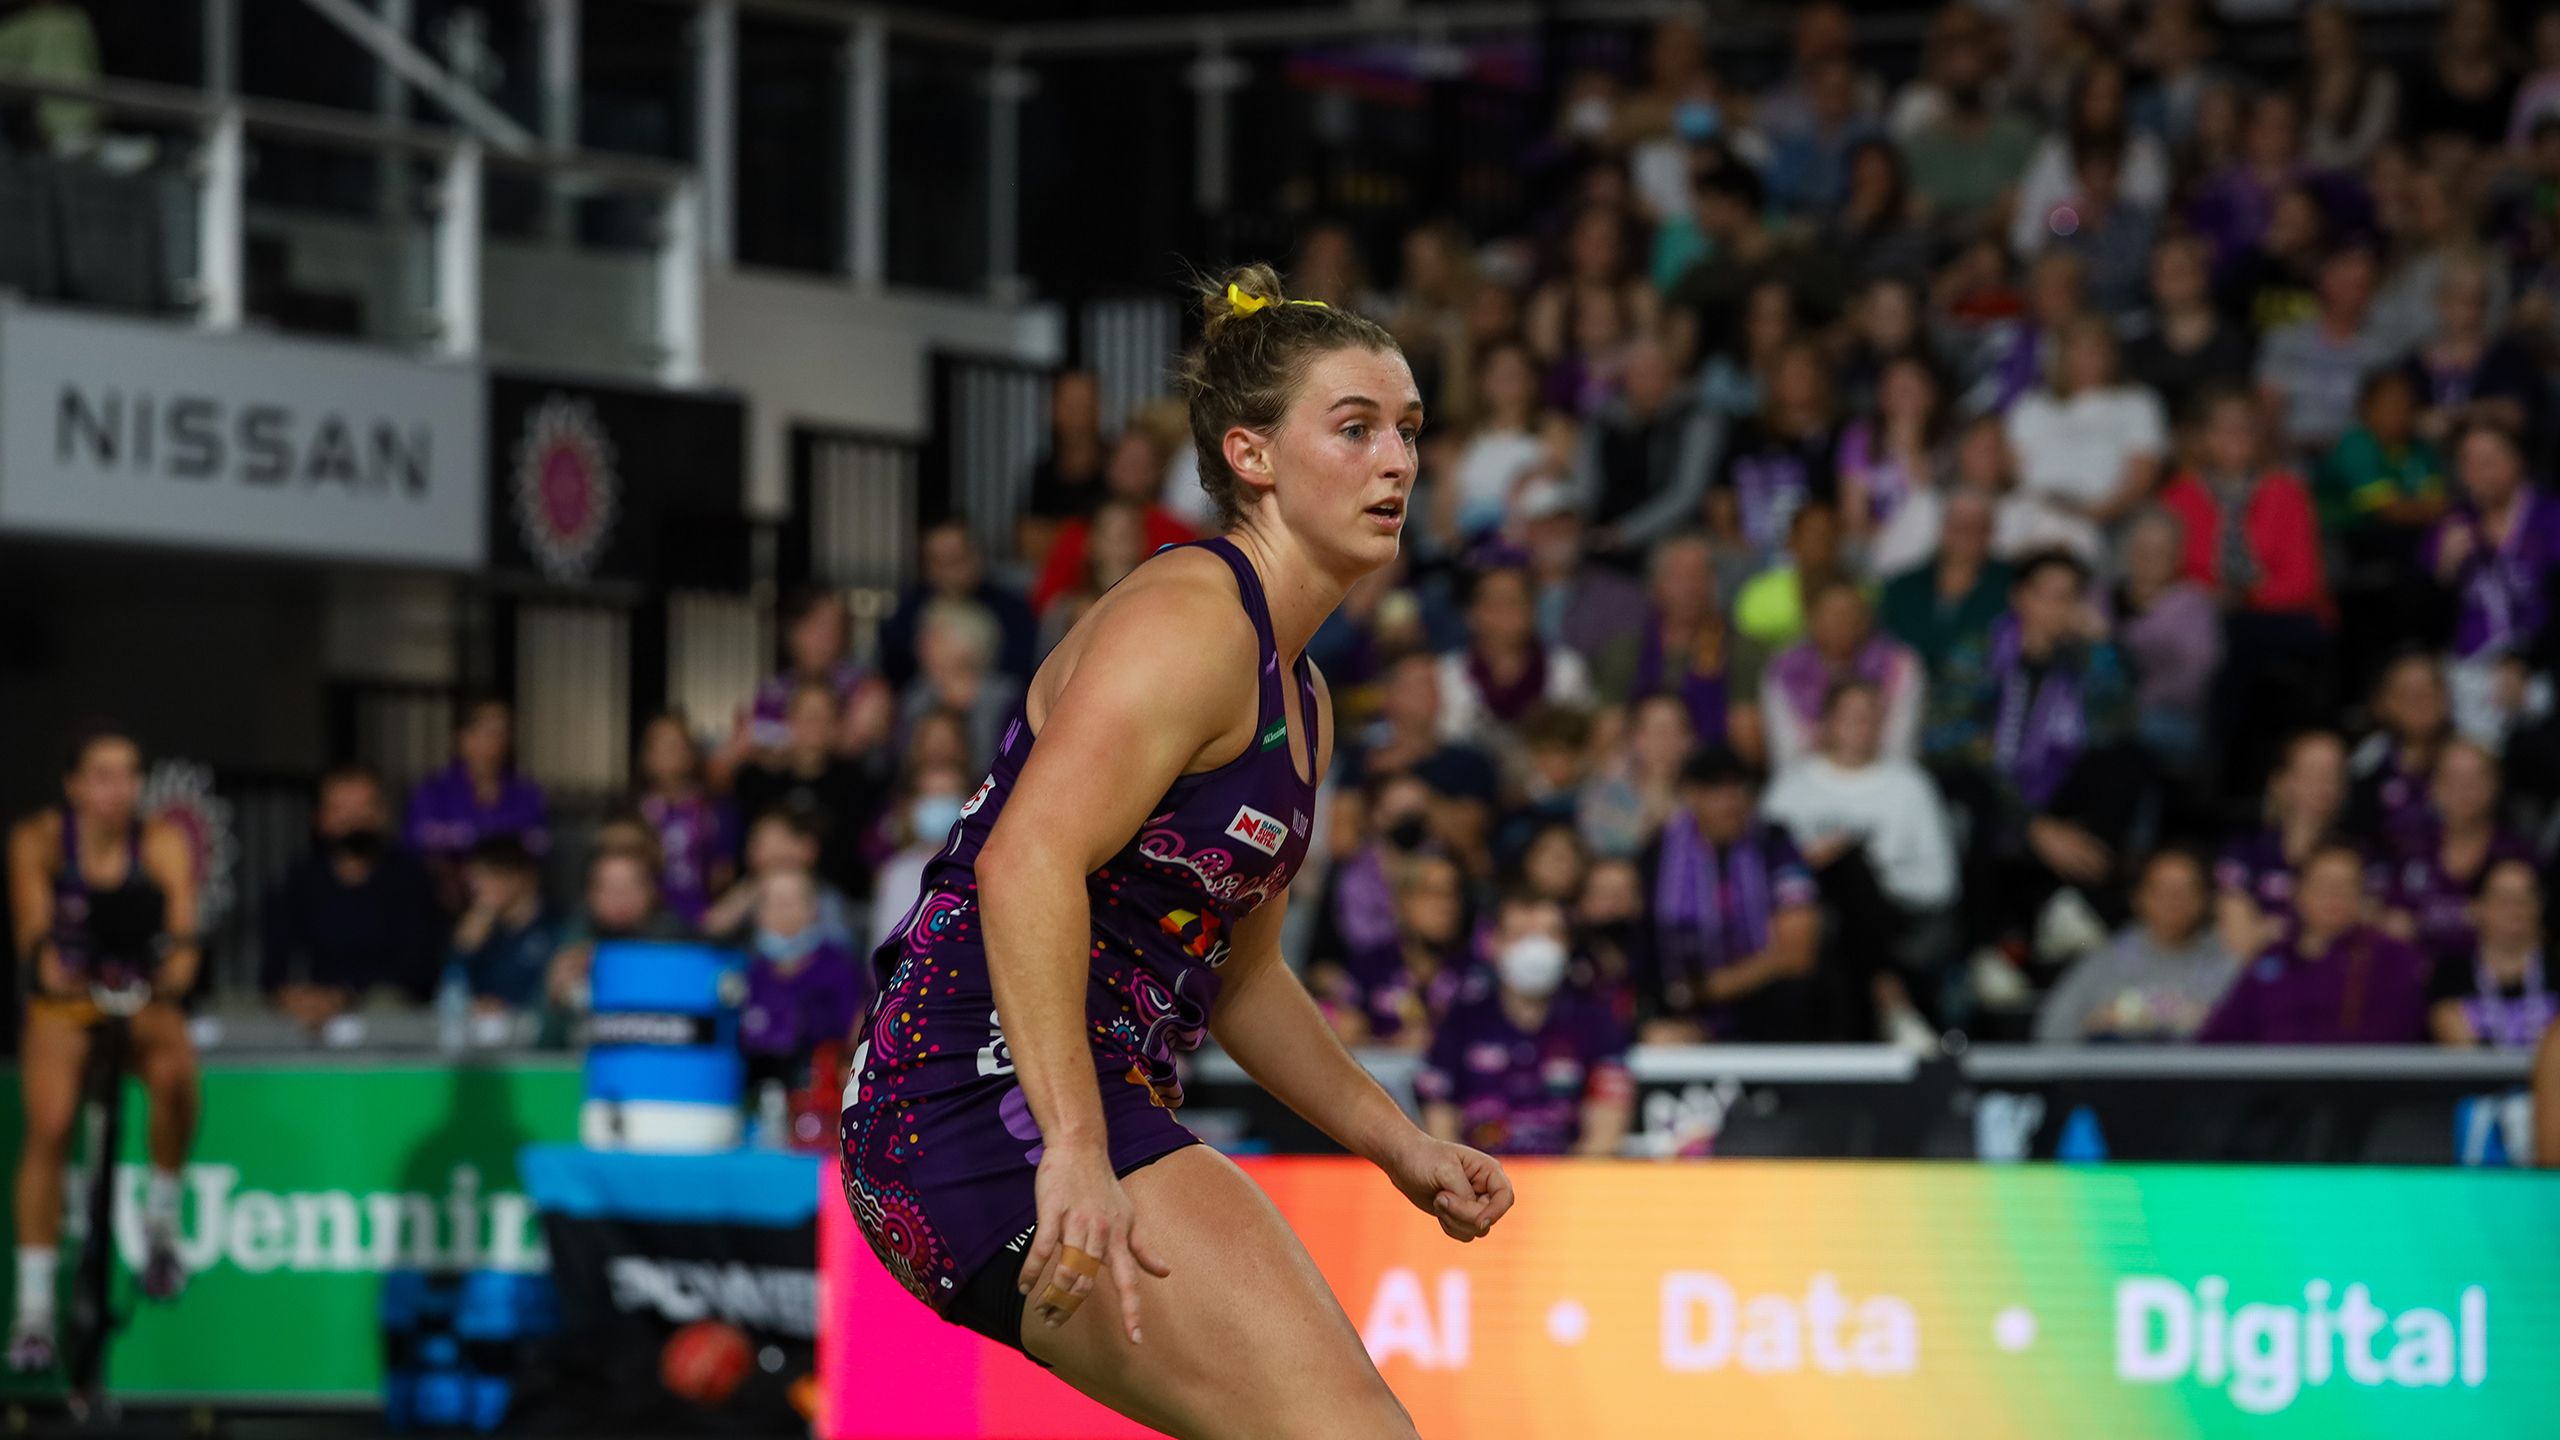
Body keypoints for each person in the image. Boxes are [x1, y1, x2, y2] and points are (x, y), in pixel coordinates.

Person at [839, 264, 1508, 1430]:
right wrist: (1076, 1150)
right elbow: (1024, 863)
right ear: (1251, 456)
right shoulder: (1193, 619)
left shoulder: (1300, 697)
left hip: (1046, 1104)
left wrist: (1394, 1144)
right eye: (1353, 429)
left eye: (1406, 430)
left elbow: (1242, 978)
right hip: (978, 1097)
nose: (1398, 461)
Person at [6, 728, 201, 1369]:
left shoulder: (162, 842)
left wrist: (171, 972)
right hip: (67, 1005)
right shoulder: (37, 840)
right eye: (103, 775)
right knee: (52, 1123)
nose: (119, 789)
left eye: (129, 774)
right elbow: (35, 935)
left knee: (176, 1073)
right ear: (74, 785)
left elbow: (184, 937)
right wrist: (54, 965)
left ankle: (162, 1228)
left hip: (136, 996)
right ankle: (34, 1312)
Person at [1761, 680, 1960, 1043]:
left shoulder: (1910, 786)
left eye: (1870, 717)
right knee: (1837, 874)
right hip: (1814, 921)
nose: (1861, 727)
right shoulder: (1791, 788)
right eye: (1850, 717)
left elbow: (1940, 883)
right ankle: (1888, 997)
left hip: (1895, 920)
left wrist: (1872, 875)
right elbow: (1764, 872)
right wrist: (1814, 864)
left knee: (1850, 867)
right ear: (1827, 723)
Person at [1417, 893, 1633, 1158]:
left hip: (1568, 1183)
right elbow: (1439, 1126)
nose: (1534, 949)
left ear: (1566, 944)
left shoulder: (1596, 1020)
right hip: (1476, 1182)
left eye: (1548, 935)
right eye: (1520, 934)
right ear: (1493, 943)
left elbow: (1604, 1135)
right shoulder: (1461, 1018)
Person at [1635, 746, 1821, 1043]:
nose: (1730, 802)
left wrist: (1708, 989)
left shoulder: (1773, 844)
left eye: (1739, 788)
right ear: (1691, 795)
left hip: (1762, 1009)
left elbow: (1797, 954)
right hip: (1679, 1009)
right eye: (1716, 790)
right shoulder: (1659, 856)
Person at [262, 764, 443, 1025]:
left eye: (362, 809)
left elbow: (418, 969)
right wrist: (294, 995)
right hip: (309, 1019)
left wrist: (344, 995)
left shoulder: (411, 879)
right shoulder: (299, 880)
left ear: (382, 814)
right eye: (340, 810)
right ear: (320, 818)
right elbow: (275, 964)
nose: (352, 821)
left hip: (387, 1021)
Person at [2198, 844, 2432, 1045]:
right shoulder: (2271, 959)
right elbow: (2219, 1037)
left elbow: (2397, 1036)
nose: (2333, 895)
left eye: (2345, 885)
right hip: (2269, 1090)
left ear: (2361, 896)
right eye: (2323, 884)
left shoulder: (2392, 958)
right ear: (2298, 893)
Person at [2427, 424, 2560, 748]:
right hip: (2466, 670)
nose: (2478, 471)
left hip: (2542, 661)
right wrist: (2444, 571)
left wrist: (2523, 663)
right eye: (2468, 461)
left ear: (2518, 460)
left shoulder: (2550, 516)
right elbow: (2424, 621)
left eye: (2489, 459)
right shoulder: (2453, 524)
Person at [2002, 316, 2168, 564]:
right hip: (2036, 512)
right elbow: (2014, 470)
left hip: (2104, 519)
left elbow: (2142, 477)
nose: (2089, 357)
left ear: (2112, 354)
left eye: (2097, 348)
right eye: (2079, 348)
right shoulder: (2033, 405)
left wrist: (2091, 515)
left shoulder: (2136, 402)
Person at [2034, 849, 2233, 1044]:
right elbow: (2051, 1031)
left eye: (2187, 889)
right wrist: (2094, 1026)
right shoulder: (2105, 961)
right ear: (2139, 897)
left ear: (2206, 899)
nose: (2174, 900)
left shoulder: (2229, 960)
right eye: (2162, 889)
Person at [2374, 741, 2533, 968]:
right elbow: (2393, 923)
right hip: (2422, 984)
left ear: (2496, 784)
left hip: (2497, 986)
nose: (2465, 789)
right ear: (2434, 787)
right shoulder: (2412, 851)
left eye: (2476, 778)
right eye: (2454, 779)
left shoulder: (2517, 855)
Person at [734, 682, 879, 909]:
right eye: (808, 716)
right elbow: (749, 849)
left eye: (825, 717)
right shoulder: (757, 780)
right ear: (790, 720)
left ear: (837, 725)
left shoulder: (856, 781)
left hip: (836, 901)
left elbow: (856, 854)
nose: (816, 726)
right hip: (764, 897)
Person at [1759, 579, 1924, 772]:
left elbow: (1899, 747)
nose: (1840, 622)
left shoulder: (1900, 665)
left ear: (1866, 620)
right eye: (1830, 613)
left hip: (1885, 780)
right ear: (1811, 620)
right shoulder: (1784, 668)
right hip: (1810, 782)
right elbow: (1786, 754)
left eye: (1850, 613)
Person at [2216, 730, 2351, 963]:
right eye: (2313, 772)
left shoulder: (2355, 856)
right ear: (2282, 782)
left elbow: (2355, 939)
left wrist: (2275, 931)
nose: (2324, 783)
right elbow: (2239, 943)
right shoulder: (2246, 851)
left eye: (2333, 773)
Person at [1434, 562, 1594, 755]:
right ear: (1472, 614)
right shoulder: (1446, 674)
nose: (1507, 612)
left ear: (1532, 610)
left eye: (1516, 601)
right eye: (1495, 603)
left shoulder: (1566, 669)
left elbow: (1578, 743)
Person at [405, 697, 550, 909]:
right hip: (444, 900)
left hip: (511, 902)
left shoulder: (527, 792)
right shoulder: (433, 790)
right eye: (488, 732)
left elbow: (538, 844)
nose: (497, 741)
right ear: (463, 737)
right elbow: (419, 841)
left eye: (504, 732)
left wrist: (468, 838)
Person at [2111, 509, 2222, 773]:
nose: (2151, 557)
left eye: (2162, 549)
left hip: (2168, 719)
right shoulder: (2101, 595)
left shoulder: (2194, 606)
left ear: (2178, 555)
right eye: (2144, 547)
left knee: (2126, 743)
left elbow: (2192, 679)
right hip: (2098, 714)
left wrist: (2115, 640)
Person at [877, 517, 1038, 691]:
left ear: (977, 556)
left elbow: (1022, 671)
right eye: (938, 561)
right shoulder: (909, 610)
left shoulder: (1012, 609)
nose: (949, 572)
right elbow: (893, 670)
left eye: (956, 559)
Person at [740, 869, 866, 1087]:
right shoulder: (747, 971)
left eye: (792, 902)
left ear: (813, 909)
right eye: (773, 902)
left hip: (820, 1093)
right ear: (759, 914)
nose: (783, 912)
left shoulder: (839, 967)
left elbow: (855, 1034)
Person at [1879, 485, 2012, 677]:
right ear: (1943, 528)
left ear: (1990, 532)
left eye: (1977, 526)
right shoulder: (1902, 587)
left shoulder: (2013, 585)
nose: (1966, 533)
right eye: (1958, 524)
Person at [2430, 860, 2555, 1049]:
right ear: (2477, 906)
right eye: (2503, 899)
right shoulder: (2450, 974)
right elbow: (2457, 1043)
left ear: (2539, 906)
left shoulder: (2555, 969)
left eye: (2524, 899)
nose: (2514, 910)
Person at [633, 713, 735, 932]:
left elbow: (724, 874)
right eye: (660, 746)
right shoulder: (633, 809)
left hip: (704, 918)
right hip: (640, 920)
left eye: (677, 745)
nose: (669, 753)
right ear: (646, 756)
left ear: (691, 754)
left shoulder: (715, 810)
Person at [443, 836, 558, 1015]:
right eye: (475, 878)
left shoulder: (555, 927)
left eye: (488, 876)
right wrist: (463, 949)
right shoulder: (479, 928)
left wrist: (510, 1006)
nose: (478, 887)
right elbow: (450, 989)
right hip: (481, 1033)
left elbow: (555, 995)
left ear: (521, 878)